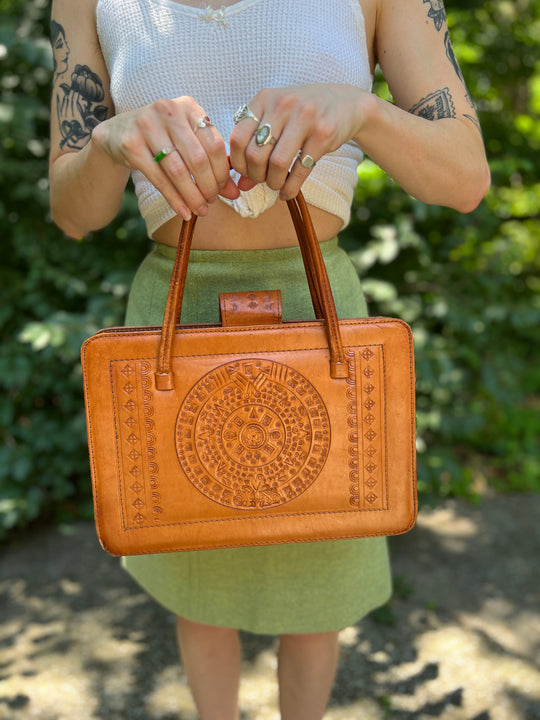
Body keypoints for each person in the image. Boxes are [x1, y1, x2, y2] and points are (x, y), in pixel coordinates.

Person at [48, 0, 490, 718]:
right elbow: (74, 212)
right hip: (175, 314)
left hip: (320, 320)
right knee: (197, 589)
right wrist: (109, 140)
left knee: (318, 599)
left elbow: (464, 180)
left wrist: (361, 112)